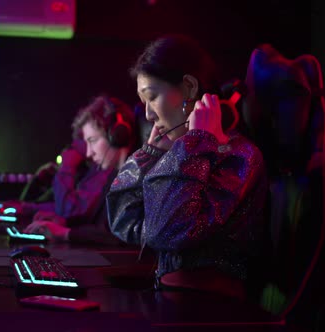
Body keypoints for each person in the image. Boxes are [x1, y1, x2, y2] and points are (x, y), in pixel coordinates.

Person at [106, 34, 268, 300]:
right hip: (173, 300)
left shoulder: (239, 156)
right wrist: (149, 156)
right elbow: (127, 222)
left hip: (213, 310)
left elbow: (168, 231)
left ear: (190, 88)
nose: (147, 114)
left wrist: (195, 143)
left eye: (152, 97)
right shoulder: (183, 152)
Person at [21, 95, 137, 244]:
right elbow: (100, 225)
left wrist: (66, 233)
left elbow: (119, 237)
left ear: (117, 134)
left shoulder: (135, 178)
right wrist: (64, 223)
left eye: (93, 141)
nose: (89, 153)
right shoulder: (115, 175)